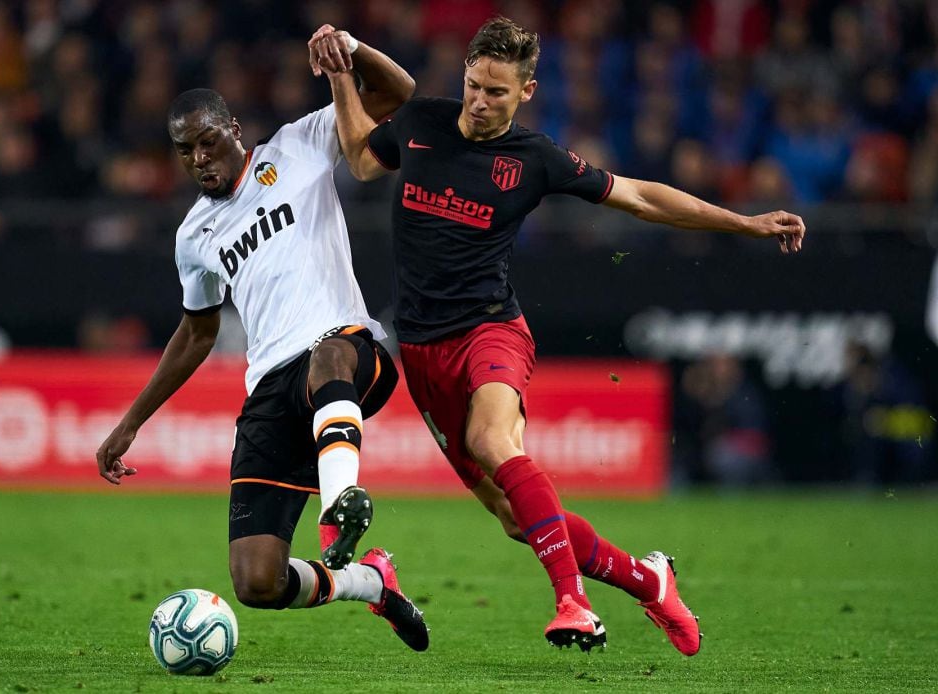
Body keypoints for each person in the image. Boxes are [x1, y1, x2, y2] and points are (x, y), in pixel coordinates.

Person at [313, 17, 805, 655]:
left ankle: (572, 601)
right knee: (517, 520)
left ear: (527, 92)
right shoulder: (421, 123)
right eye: (474, 86)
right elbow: (356, 156)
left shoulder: (534, 159)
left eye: (497, 92)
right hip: (423, 351)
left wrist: (746, 223)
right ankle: (648, 579)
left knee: (493, 440)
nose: (480, 103)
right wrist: (341, 74)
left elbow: (638, 197)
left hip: (491, 331)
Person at [95, 26, 428, 652]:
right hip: (273, 391)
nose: (198, 157)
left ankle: (343, 502)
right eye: (184, 149)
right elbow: (198, 333)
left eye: (207, 140)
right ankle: (370, 582)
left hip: (352, 353)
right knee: (257, 581)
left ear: (234, 129)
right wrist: (132, 420)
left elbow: (398, 92)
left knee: (326, 352)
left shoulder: (299, 144)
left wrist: (350, 52)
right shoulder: (194, 237)